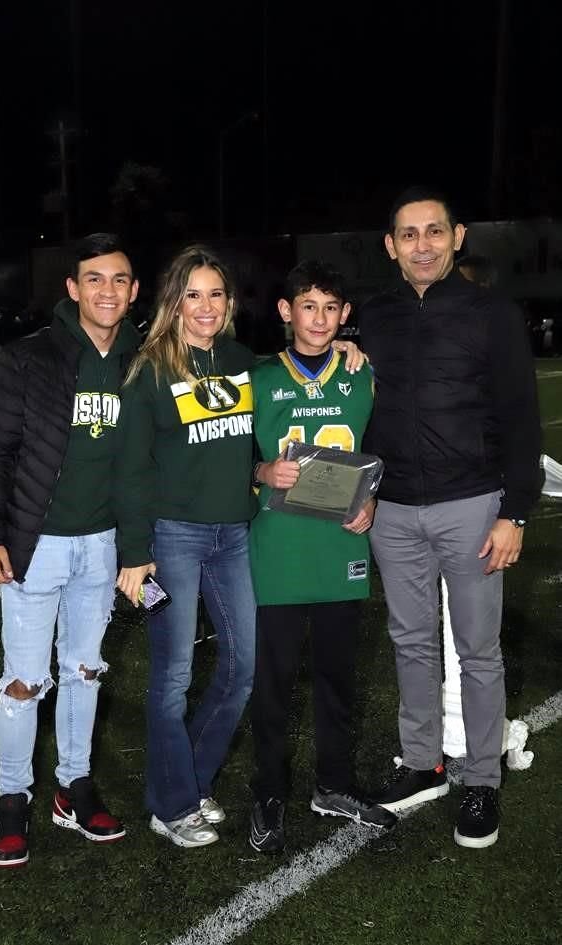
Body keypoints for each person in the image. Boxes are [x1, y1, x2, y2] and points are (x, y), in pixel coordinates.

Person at [357, 186, 542, 849]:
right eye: (409, 234)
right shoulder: (372, 318)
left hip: (472, 504)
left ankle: (481, 777)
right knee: (410, 641)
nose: (423, 244)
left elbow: (522, 417)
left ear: (457, 236)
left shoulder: (493, 315)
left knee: (478, 649)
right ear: (391, 246)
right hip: (395, 509)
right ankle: (422, 762)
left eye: (434, 231)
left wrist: (513, 512)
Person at [0, 232, 141, 867]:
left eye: (119, 279)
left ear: (134, 290)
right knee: (23, 681)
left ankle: (74, 786)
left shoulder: (143, 359)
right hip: (34, 545)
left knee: (85, 672)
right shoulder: (28, 358)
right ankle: (13, 799)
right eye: (94, 279)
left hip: (102, 546)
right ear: (72, 288)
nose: (107, 290)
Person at [247, 260, 397, 853]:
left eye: (331, 308)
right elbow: (225, 458)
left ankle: (333, 785)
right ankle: (269, 792)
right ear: (286, 312)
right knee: (273, 682)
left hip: (341, 544)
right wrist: (260, 469)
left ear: (345, 316)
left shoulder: (363, 373)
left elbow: (382, 450)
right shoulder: (256, 377)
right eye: (308, 306)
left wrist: (376, 500)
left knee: (338, 677)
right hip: (278, 547)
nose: (320, 318)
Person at [115, 245, 258, 849]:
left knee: (242, 669)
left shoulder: (243, 359)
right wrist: (133, 553)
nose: (205, 306)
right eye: (192, 294)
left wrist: (348, 351)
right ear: (173, 302)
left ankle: (189, 782)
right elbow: (131, 470)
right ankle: (171, 805)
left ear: (229, 302)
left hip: (234, 535)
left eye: (216, 294)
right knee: (172, 677)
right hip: (171, 538)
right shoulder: (148, 370)